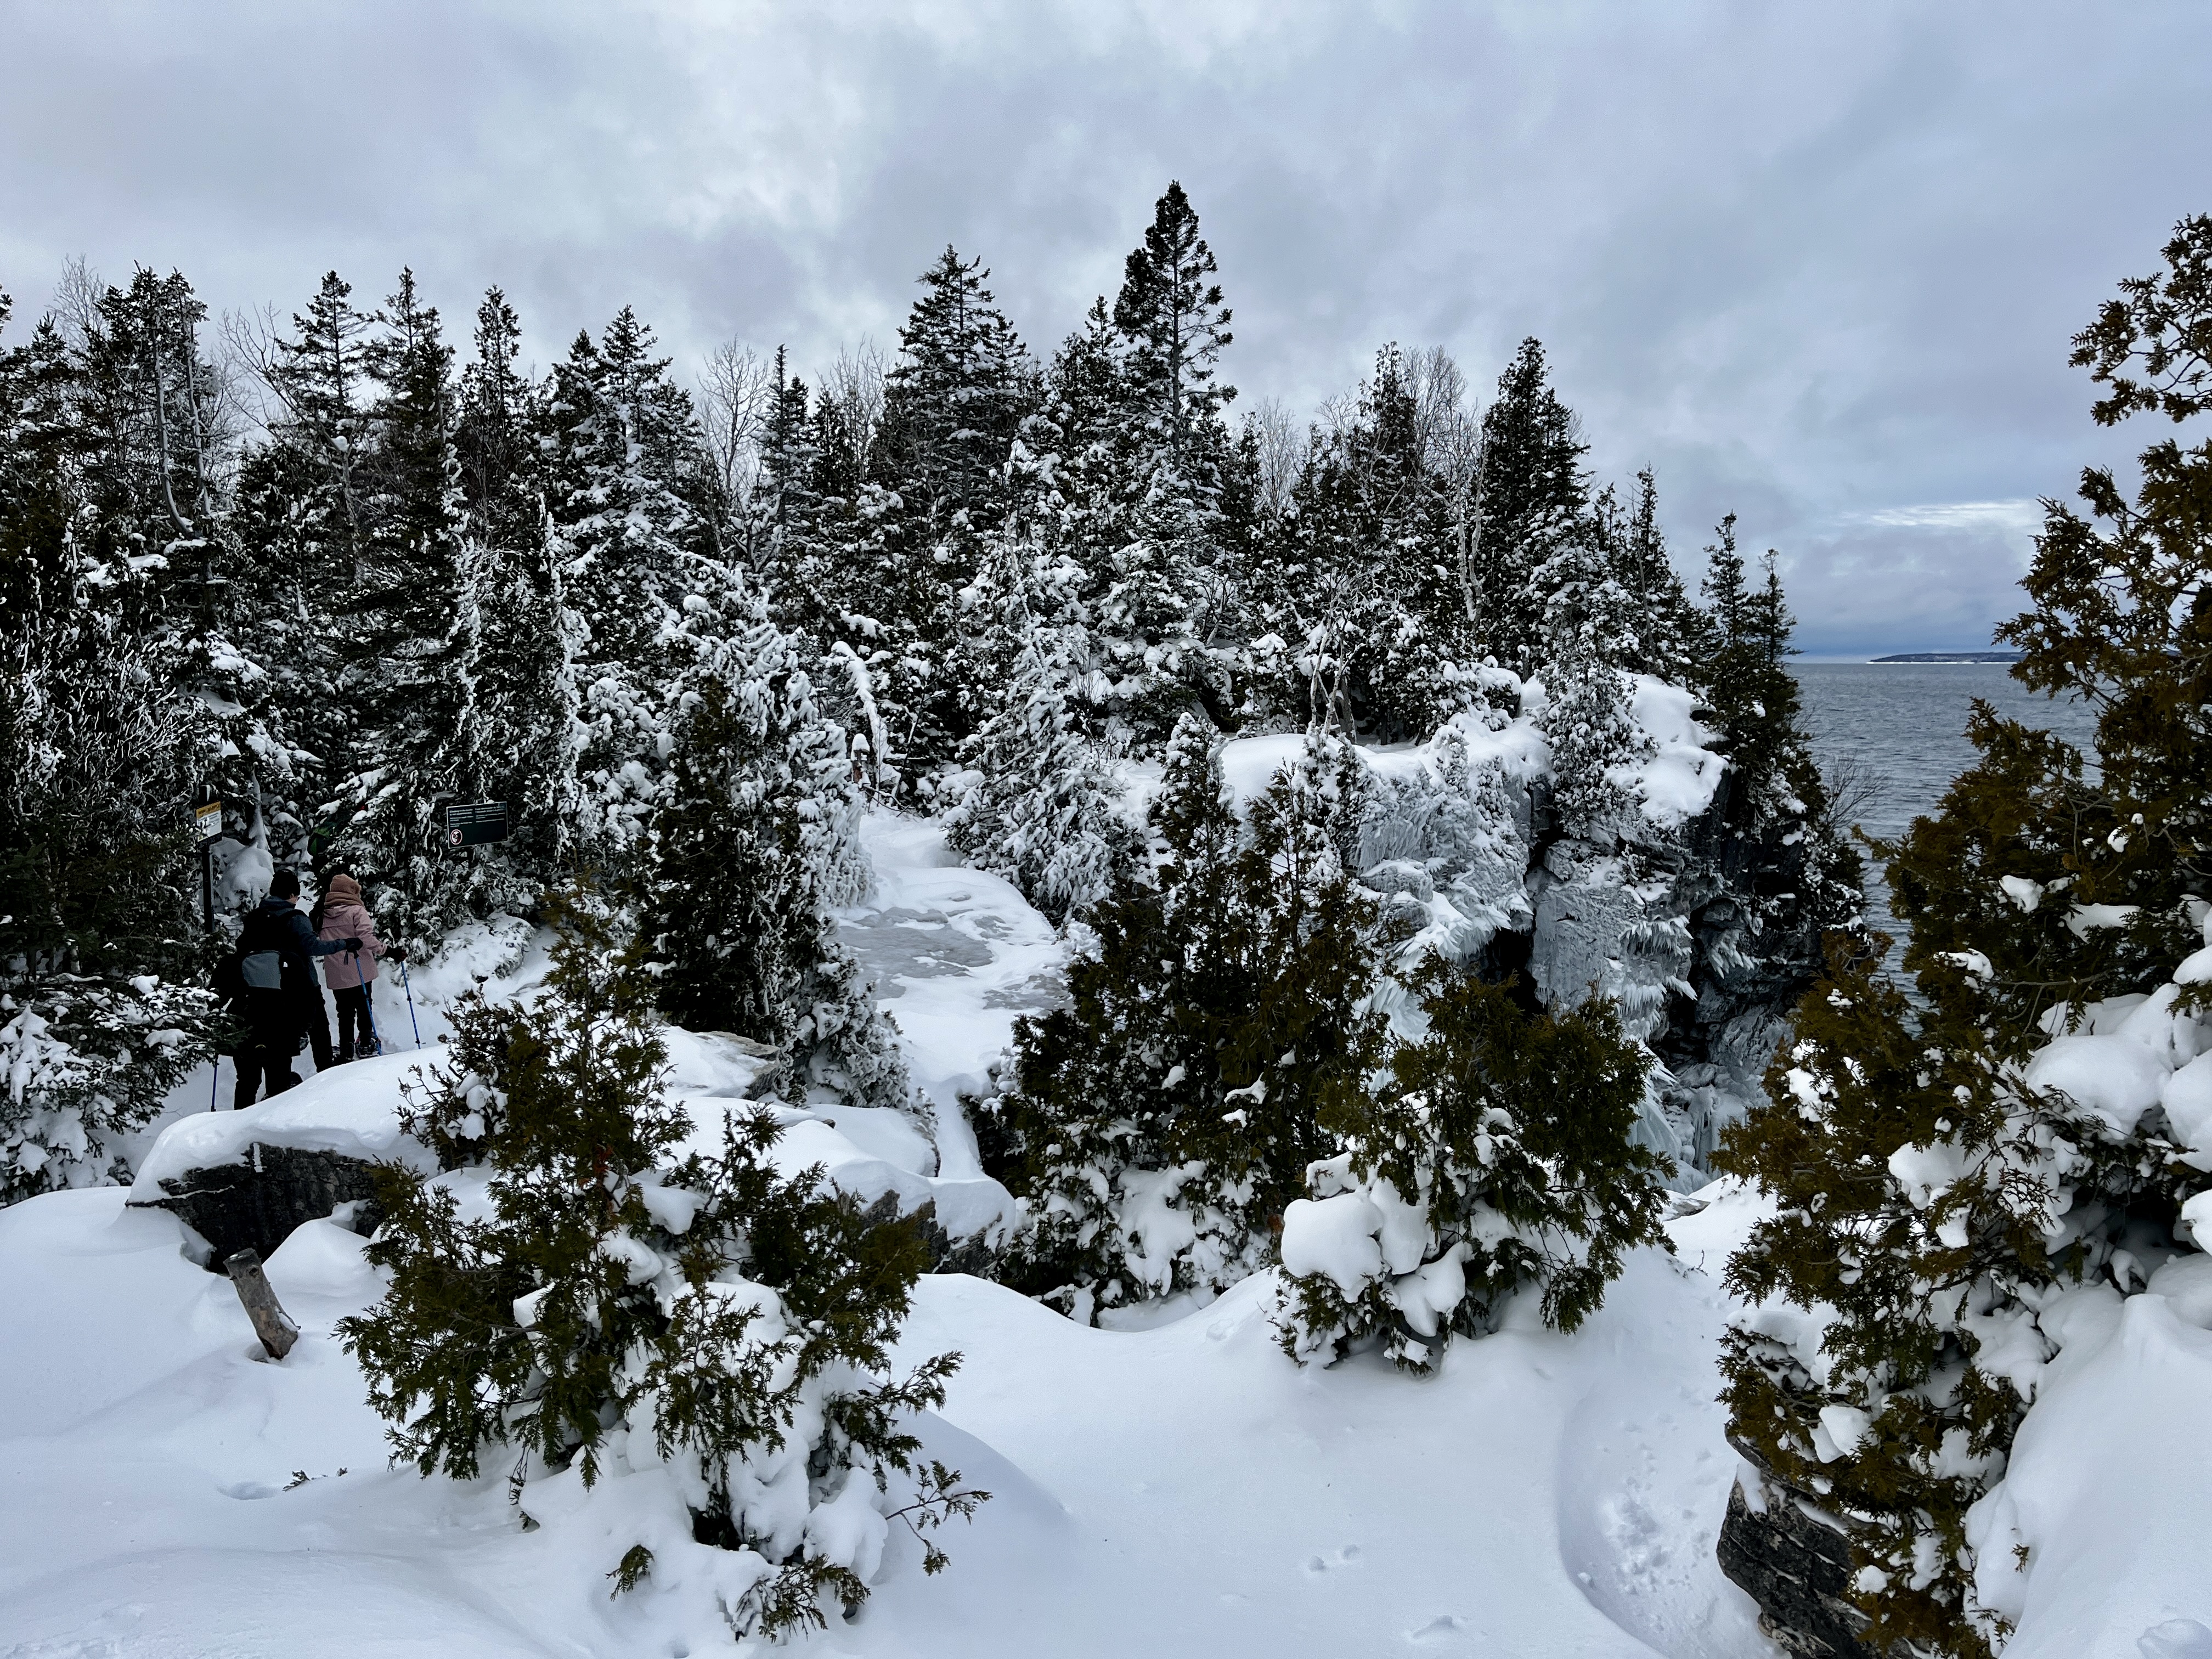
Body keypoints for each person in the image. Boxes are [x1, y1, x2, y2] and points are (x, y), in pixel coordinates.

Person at [230, 867, 354, 1109]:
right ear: (292, 894)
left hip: (261, 989)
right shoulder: (296, 917)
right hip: (299, 984)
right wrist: (344, 944)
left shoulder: (256, 916)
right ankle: (325, 1076)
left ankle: (260, 1101)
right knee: (318, 1027)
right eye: (296, 895)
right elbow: (312, 948)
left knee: (267, 1041)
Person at [317, 872, 403, 1061]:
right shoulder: (356, 911)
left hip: (336, 972)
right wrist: (389, 951)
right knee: (364, 1005)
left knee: (344, 1012)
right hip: (359, 968)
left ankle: (347, 1047)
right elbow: (366, 938)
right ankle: (365, 1042)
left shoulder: (323, 915)